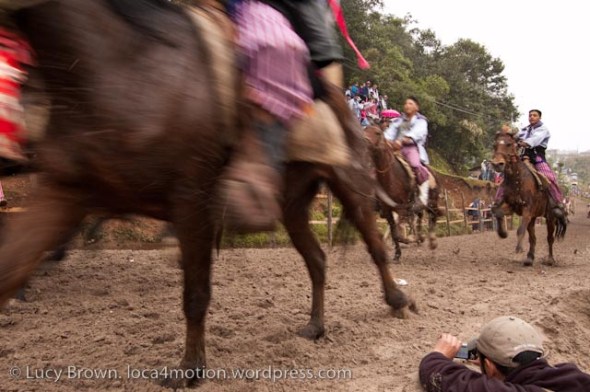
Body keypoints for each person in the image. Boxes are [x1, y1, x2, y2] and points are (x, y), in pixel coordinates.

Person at [222, 0, 367, 231]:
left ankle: (260, 183)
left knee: (414, 164)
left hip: (274, 45)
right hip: (239, 25)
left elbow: (322, 44)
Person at [420, 316, 590, 391]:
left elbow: (447, 378)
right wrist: (491, 364)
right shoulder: (572, 376)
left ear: (489, 366)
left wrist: (437, 357)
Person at [384, 96, 430, 211]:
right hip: (394, 148)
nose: (407, 105)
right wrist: (387, 140)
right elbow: (390, 132)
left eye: (410, 103)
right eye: (406, 103)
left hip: (411, 148)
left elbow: (417, 133)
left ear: (416, 107)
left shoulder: (421, 120)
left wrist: (403, 140)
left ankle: (423, 198)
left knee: (415, 165)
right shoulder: (398, 120)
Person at [516, 109, 565, 217]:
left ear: (539, 117)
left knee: (549, 177)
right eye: (530, 115)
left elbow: (535, 139)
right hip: (522, 156)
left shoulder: (543, 129)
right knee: (506, 174)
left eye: (534, 115)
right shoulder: (524, 129)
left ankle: (557, 203)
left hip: (537, 156)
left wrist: (524, 143)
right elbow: (516, 137)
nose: (531, 117)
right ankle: (498, 201)